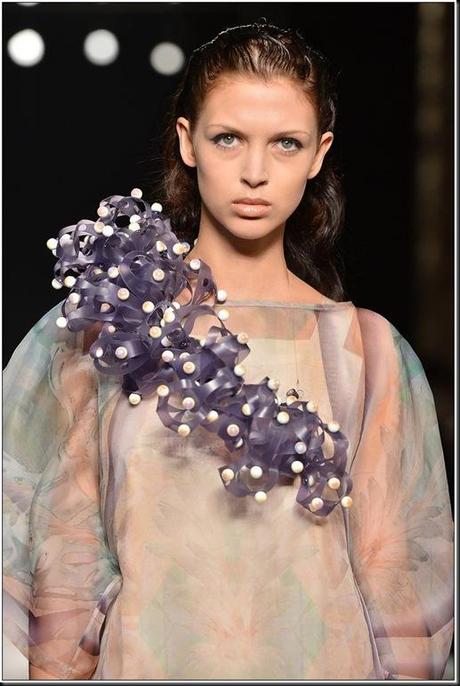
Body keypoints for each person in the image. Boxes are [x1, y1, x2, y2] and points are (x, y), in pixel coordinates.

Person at [3, 19, 453, 680]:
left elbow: (403, 594)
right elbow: (54, 568)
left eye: (285, 143)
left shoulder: (370, 352)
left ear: (319, 153)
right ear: (188, 142)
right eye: (228, 138)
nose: (253, 172)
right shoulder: (107, 329)